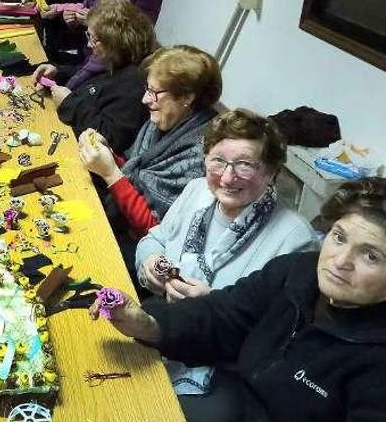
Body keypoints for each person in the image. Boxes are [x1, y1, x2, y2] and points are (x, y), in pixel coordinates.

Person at [91, 177, 386, 422]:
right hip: (227, 403)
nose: (340, 261)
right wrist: (148, 323)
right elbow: (224, 312)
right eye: (339, 237)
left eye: (370, 255)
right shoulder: (298, 270)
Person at [135, 109, 319, 396]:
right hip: (162, 327)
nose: (227, 177)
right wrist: (149, 261)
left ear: (271, 172)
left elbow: (276, 337)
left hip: (219, 368)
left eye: (245, 165)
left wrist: (212, 307)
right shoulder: (196, 191)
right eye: (218, 161)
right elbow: (155, 238)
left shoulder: (296, 239)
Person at [77, 45, 221, 256]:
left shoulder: (202, 154)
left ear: (187, 97)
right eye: (147, 89)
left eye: (154, 92)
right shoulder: (164, 121)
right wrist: (107, 153)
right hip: (122, 224)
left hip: (144, 250)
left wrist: (110, 173)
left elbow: (154, 229)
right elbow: (136, 173)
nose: (145, 99)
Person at [33, 0, 156, 154]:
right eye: (88, 36)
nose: (89, 44)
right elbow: (88, 78)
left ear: (116, 42)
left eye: (94, 39)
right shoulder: (110, 59)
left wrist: (69, 103)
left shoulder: (133, 83)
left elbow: (111, 138)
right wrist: (58, 73)